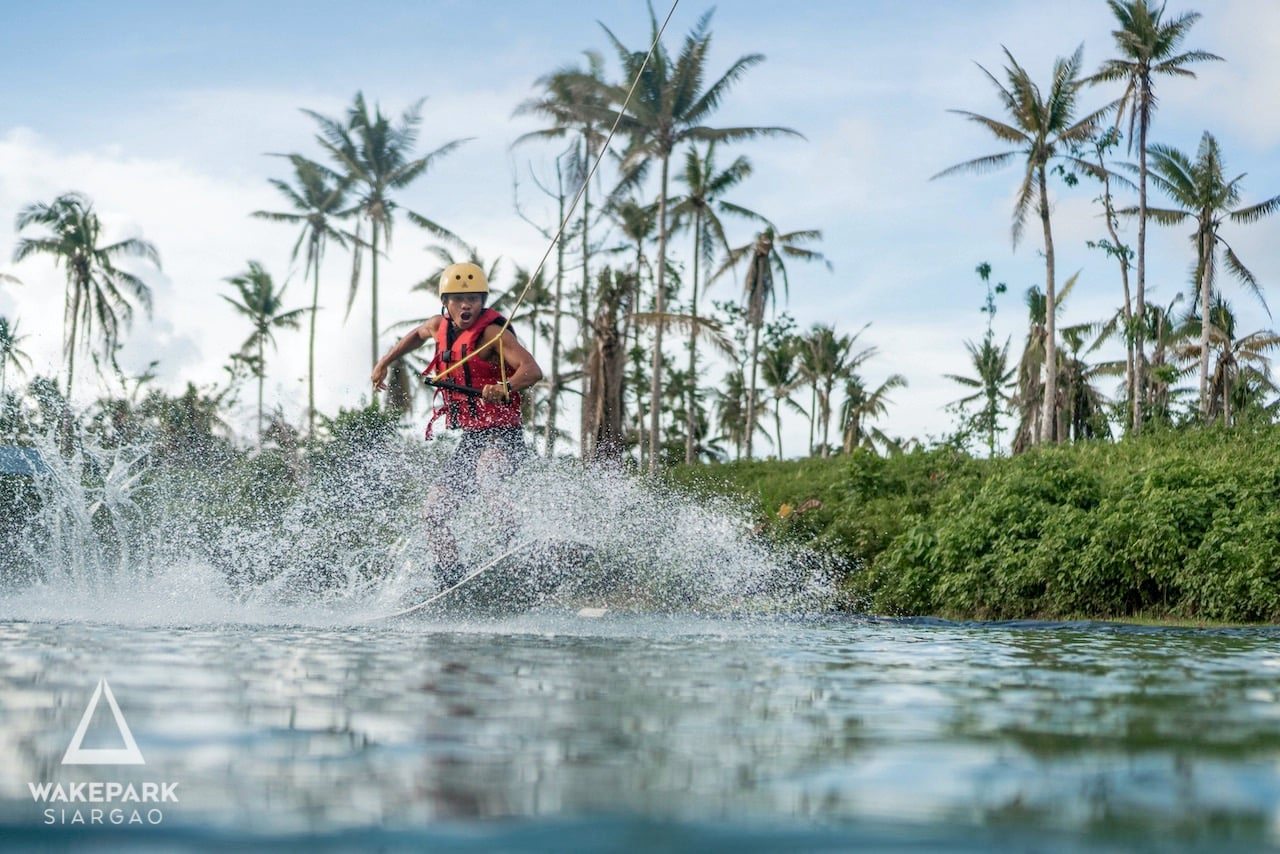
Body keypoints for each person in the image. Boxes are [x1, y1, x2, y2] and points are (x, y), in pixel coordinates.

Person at [371, 261, 543, 585]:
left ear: (483, 301)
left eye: (475, 299)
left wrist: (505, 386)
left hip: (503, 436)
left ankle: (515, 546)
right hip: (472, 440)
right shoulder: (439, 326)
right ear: (446, 302)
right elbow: (415, 335)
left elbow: (532, 370)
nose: (468, 305)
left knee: (487, 475)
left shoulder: (493, 334)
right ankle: (450, 578)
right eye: (460, 299)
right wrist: (384, 361)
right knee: (433, 512)